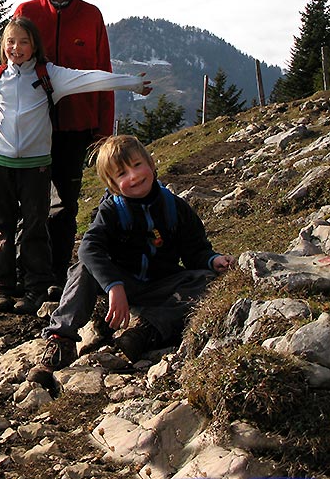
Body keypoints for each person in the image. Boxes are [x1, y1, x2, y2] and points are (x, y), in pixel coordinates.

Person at [0, 18, 151, 315]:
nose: (17, 48)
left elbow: (91, 79)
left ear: (34, 47)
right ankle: (2, 288)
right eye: (11, 42)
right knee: (1, 226)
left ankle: (36, 288)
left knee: (34, 226)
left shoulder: (49, 76)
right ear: (4, 46)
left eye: (24, 42)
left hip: (36, 165)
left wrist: (132, 83)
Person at [34, 135, 235, 373]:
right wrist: (114, 285)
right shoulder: (111, 211)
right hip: (122, 283)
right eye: (121, 174)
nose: (133, 176)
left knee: (208, 281)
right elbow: (89, 248)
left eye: (137, 165)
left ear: (150, 164)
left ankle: (145, 331)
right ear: (112, 184)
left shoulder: (175, 207)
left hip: (162, 284)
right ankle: (61, 338)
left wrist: (213, 260)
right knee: (82, 270)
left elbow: (196, 251)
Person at [14, 0, 114, 288]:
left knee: (65, 206)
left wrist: (103, 129)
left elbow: (103, 72)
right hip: (31, 125)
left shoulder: (92, 16)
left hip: (76, 126)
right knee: (30, 204)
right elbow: (11, 64)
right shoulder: (26, 10)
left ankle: (56, 273)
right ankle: (27, 274)